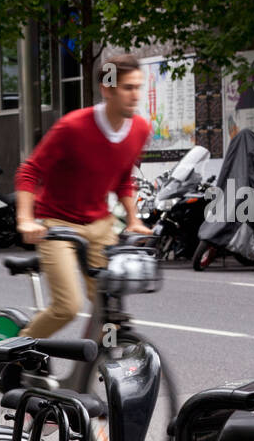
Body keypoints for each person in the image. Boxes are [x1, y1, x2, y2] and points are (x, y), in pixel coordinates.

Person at [15, 52, 154, 340]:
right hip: (57, 225)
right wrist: (26, 219)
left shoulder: (140, 129)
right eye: (128, 88)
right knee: (67, 307)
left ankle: (101, 367)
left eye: (138, 87)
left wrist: (133, 219)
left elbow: (124, 179)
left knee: (110, 306)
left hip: (100, 224)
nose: (135, 95)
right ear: (108, 89)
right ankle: (15, 356)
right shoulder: (73, 127)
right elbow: (29, 171)